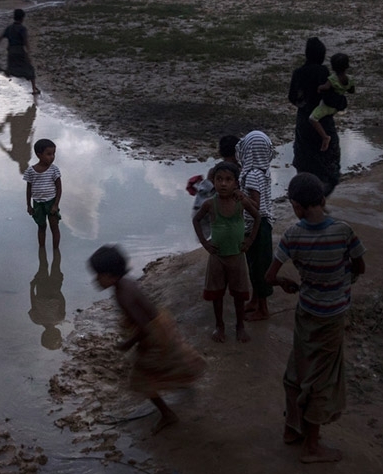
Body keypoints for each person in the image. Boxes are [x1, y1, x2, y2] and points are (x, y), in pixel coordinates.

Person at [266, 173, 366, 464]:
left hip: (306, 311)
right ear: (323, 200)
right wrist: (345, 277)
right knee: (322, 378)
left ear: (296, 207)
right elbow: (360, 265)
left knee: (298, 368)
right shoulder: (343, 231)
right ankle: (311, 447)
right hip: (332, 315)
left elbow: (269, 277)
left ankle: (291, 430)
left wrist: (285, 282)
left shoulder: (292, 235)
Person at [87, 245, 206, 434]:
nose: (96, 280)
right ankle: (186, 378)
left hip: (154, 335)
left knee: (142, 379)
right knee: (173, 357)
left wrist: (129, 343)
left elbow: (143, 326)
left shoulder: (122, 295)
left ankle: (168, 414)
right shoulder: (126, 283)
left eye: (98, 275)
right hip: (162, 324)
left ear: (110, 276)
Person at [192, 162, 259, 343]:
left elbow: (257, 215)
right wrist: (205, 243)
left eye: (228, 180)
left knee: (238, 295)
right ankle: (219, 326)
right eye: (219, 179)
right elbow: (196, 220)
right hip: (217, 257)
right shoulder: (210, 204)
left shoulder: (240, 201)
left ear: (236, 183)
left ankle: (240, 326)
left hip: (237, 255)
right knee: (217, 294)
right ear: (213, 181)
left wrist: (250, 240)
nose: (223, 184)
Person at [288, 38, 339, 195]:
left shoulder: (298, 73)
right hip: (323, 121)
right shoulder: (323, 72)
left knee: (305, 161)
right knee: (329, 163)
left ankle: (305, 196)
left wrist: (304, 105)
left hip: (304, 123)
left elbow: (292, 97)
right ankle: (319, 198)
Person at [237, 130, 276, 321]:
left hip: (257, 227)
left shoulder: (252, 174)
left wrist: (241, 198)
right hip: (262, 226)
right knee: (255, 266)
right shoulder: (263, 171)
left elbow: (256, 206)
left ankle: (263, 309)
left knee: (259, 267)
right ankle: (255, 300)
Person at [308, 53, 355, 153]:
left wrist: (319, 88)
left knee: (313, 118)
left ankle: (325, 137)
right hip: (338, 106)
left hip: (327, 105)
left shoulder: (332, 79)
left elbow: (325, 87)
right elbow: (351, 90)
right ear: (347, 66)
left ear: (333, 67)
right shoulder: (350, 79)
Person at [23, 138, 61, 249]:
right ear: (39, 155)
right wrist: (29, 205)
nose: (52, 157)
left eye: (53, 154)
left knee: (54, 227)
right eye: (48, 154)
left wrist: (55, 205)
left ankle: (56, 250)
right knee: (41, 226)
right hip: (38, 203)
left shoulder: (54, 170)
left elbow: (59, 188)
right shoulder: (31, 171)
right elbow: (29, 189)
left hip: (51, 202)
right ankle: (42, 249)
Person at [0, 8, 41, 96]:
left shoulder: (9, 28)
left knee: (11, 70)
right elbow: (25, 41)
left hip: (11, 51)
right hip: (20, 51)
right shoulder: (22, 28)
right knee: (30, 70)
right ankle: (34, 89)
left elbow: (0, 38)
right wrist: (28, 51)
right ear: (22, 18)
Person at [29, 247, 66, 350]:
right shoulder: (36, 320)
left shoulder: (59, 318)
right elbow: (33, 302)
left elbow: (62, 302)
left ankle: (53, 248)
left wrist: (58, 292)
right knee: (44, 264)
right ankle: (51, 247)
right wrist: (32, 287)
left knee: (55, 264)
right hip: (43, 289)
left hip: (52, 290)